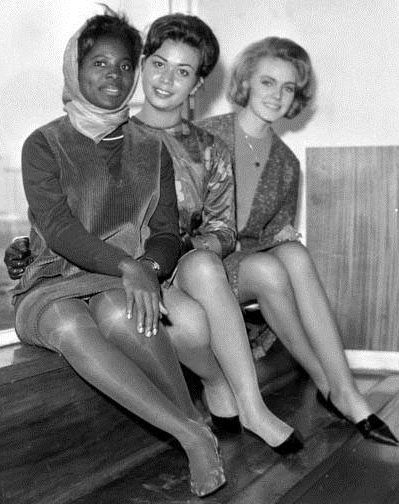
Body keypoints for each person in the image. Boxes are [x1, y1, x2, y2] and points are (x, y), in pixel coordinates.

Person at [6, 13, 304, 455]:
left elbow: (203, 229)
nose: (164, 79)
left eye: (183, 71)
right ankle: (203, 419)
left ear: (197, 83)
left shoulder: (182, 146)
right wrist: (29, 246)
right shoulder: (50, 140)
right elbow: (63, 220)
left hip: (157, 265)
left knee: (197, 292)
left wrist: (154, 262)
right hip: (107, 271)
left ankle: (245, 403)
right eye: (158, 65)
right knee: (161, 313)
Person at [11, 10, 226, 497]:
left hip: (119, 280)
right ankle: (192, 432)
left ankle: (192, 424)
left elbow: (166, 233)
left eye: (125, 65)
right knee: (69, 324)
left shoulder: (152, 148)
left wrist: (148, 267)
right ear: (75, 69)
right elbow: (58, 229)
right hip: (50, 282)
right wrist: (131, 266)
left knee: (120, 310)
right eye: (99, 63)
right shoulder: (42, 144)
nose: (114, 75)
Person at [197, 36, 399, 446]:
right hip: (200, 264)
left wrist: (283, 238)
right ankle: (329, 384)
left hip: (245, 264)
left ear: (296, 98)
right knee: (271, 267)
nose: (277, 95)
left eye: (288, 88)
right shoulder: (204, 136)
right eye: (267, 82)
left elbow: (270, 232)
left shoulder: (287, 162)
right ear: (246, 82)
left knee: (295, 253)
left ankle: (345, 389)